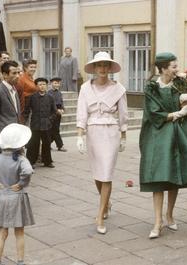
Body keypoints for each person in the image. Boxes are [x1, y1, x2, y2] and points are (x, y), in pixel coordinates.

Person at [139, 52, 187, 239]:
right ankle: (157, 221)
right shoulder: (151, 87)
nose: (177, 69)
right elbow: (154, 115)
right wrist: (177, 113)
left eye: (176, 66)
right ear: (162, 68)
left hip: (179, 134)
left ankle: (169, 215)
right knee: (158, 178)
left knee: (174, 175)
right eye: (173, 66)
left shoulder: (181, 84)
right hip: (159, 135)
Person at [76, 51, 128, 234]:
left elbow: (123, 114)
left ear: (110, 68)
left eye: (106, 65)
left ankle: (99, 215)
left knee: (106, 173)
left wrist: (124, 136)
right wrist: (79, 135)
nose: (102, 69)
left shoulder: (118, 88)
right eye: (99, 65)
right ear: (94, 68)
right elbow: (82, 112)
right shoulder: (85, 88)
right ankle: (107, 203)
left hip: (110, 132)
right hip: (92, 133)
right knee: (98, 174)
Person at [0, 123, 34, 265]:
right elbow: (28, 171)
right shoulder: (21, 159)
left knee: (2, 233)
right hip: (17, 197)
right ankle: (20, 261)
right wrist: (21, 183)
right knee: (19, 232)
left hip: (3, 196)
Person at [24, 78, 57, 168]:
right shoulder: (32, 97)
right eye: (40, 84)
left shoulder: (50, 97)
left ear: (46, 86)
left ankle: (47, 161)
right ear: (36, 86)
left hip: (47, 125)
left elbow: (54, 111)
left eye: (44, 84)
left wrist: (50, 119)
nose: (42, 86)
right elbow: (26, 110)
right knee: (33, 144)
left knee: (47, 143)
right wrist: (24, 122)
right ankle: (31, 162)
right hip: (35, 124)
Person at [0, 61, 21, 154]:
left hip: (15, 137)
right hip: (3, 139)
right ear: (5, 74)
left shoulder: (14, 90)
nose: (18, 76)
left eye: (18, 73)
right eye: (14, 73)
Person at [48, 77, 67, 152]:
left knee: (54, 130)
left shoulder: (59, 93)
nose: (57, 84)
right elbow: (50, 104)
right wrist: (56, 111)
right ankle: (60, 145)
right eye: (55, 83)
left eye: (58, 83)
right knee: (55, 130)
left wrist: (62, 109)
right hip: (52, 113)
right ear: (51, 83)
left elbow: (61, 102)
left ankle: (47, 144)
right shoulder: (49, 93)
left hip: (59, 113)